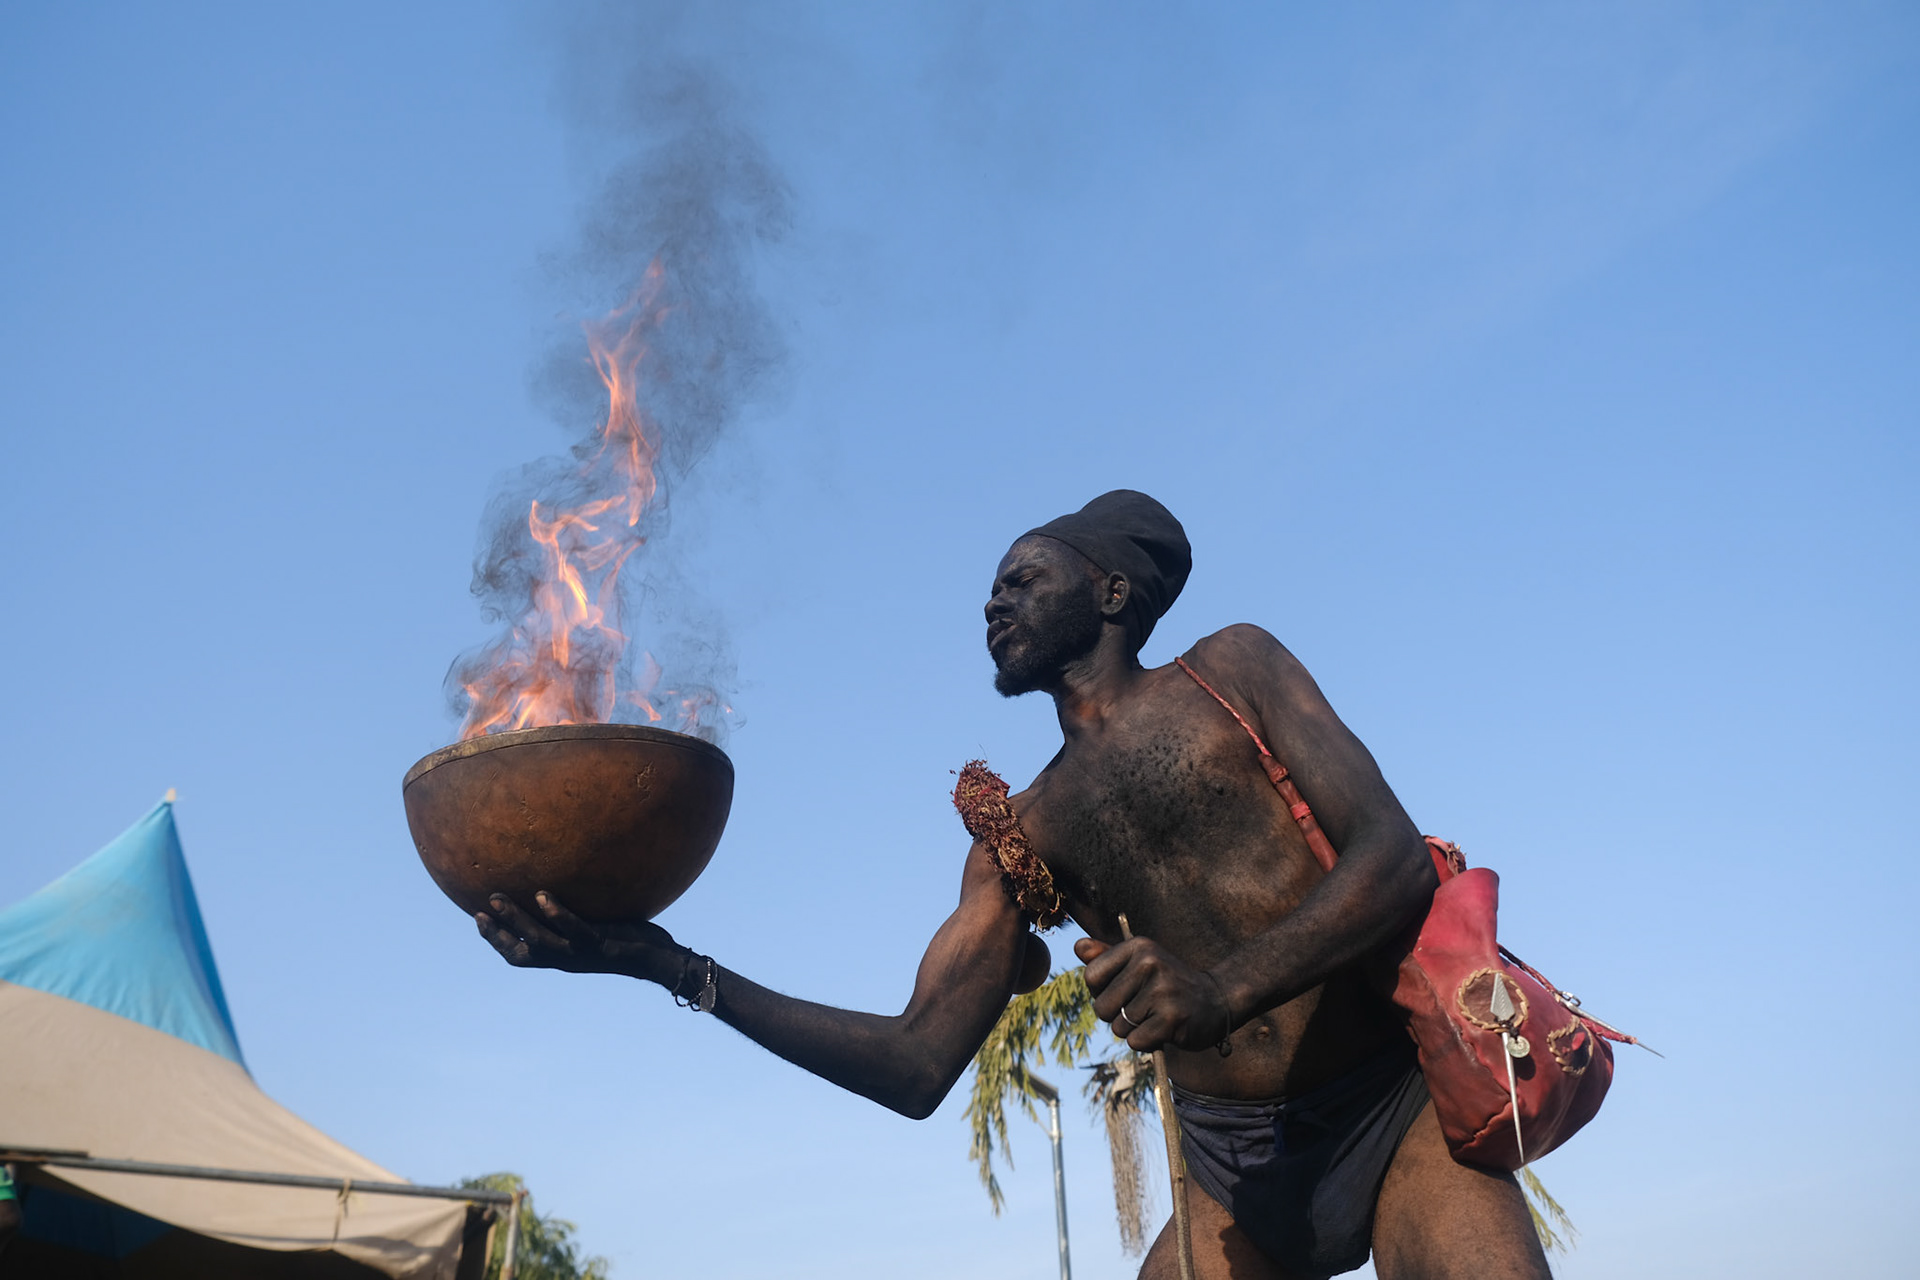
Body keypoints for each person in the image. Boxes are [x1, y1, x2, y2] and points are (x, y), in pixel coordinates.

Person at [477, 490, 1550, 1279]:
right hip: (1232, 1180)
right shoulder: (1016, 832)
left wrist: (1222, 991)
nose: (993, 599)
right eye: (991, 586)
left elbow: (1392, 857)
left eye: (1024, 575)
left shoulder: (1234, 670)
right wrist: (669, 964)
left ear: (1113, 591)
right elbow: (914, 1062)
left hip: (1386, 1105)